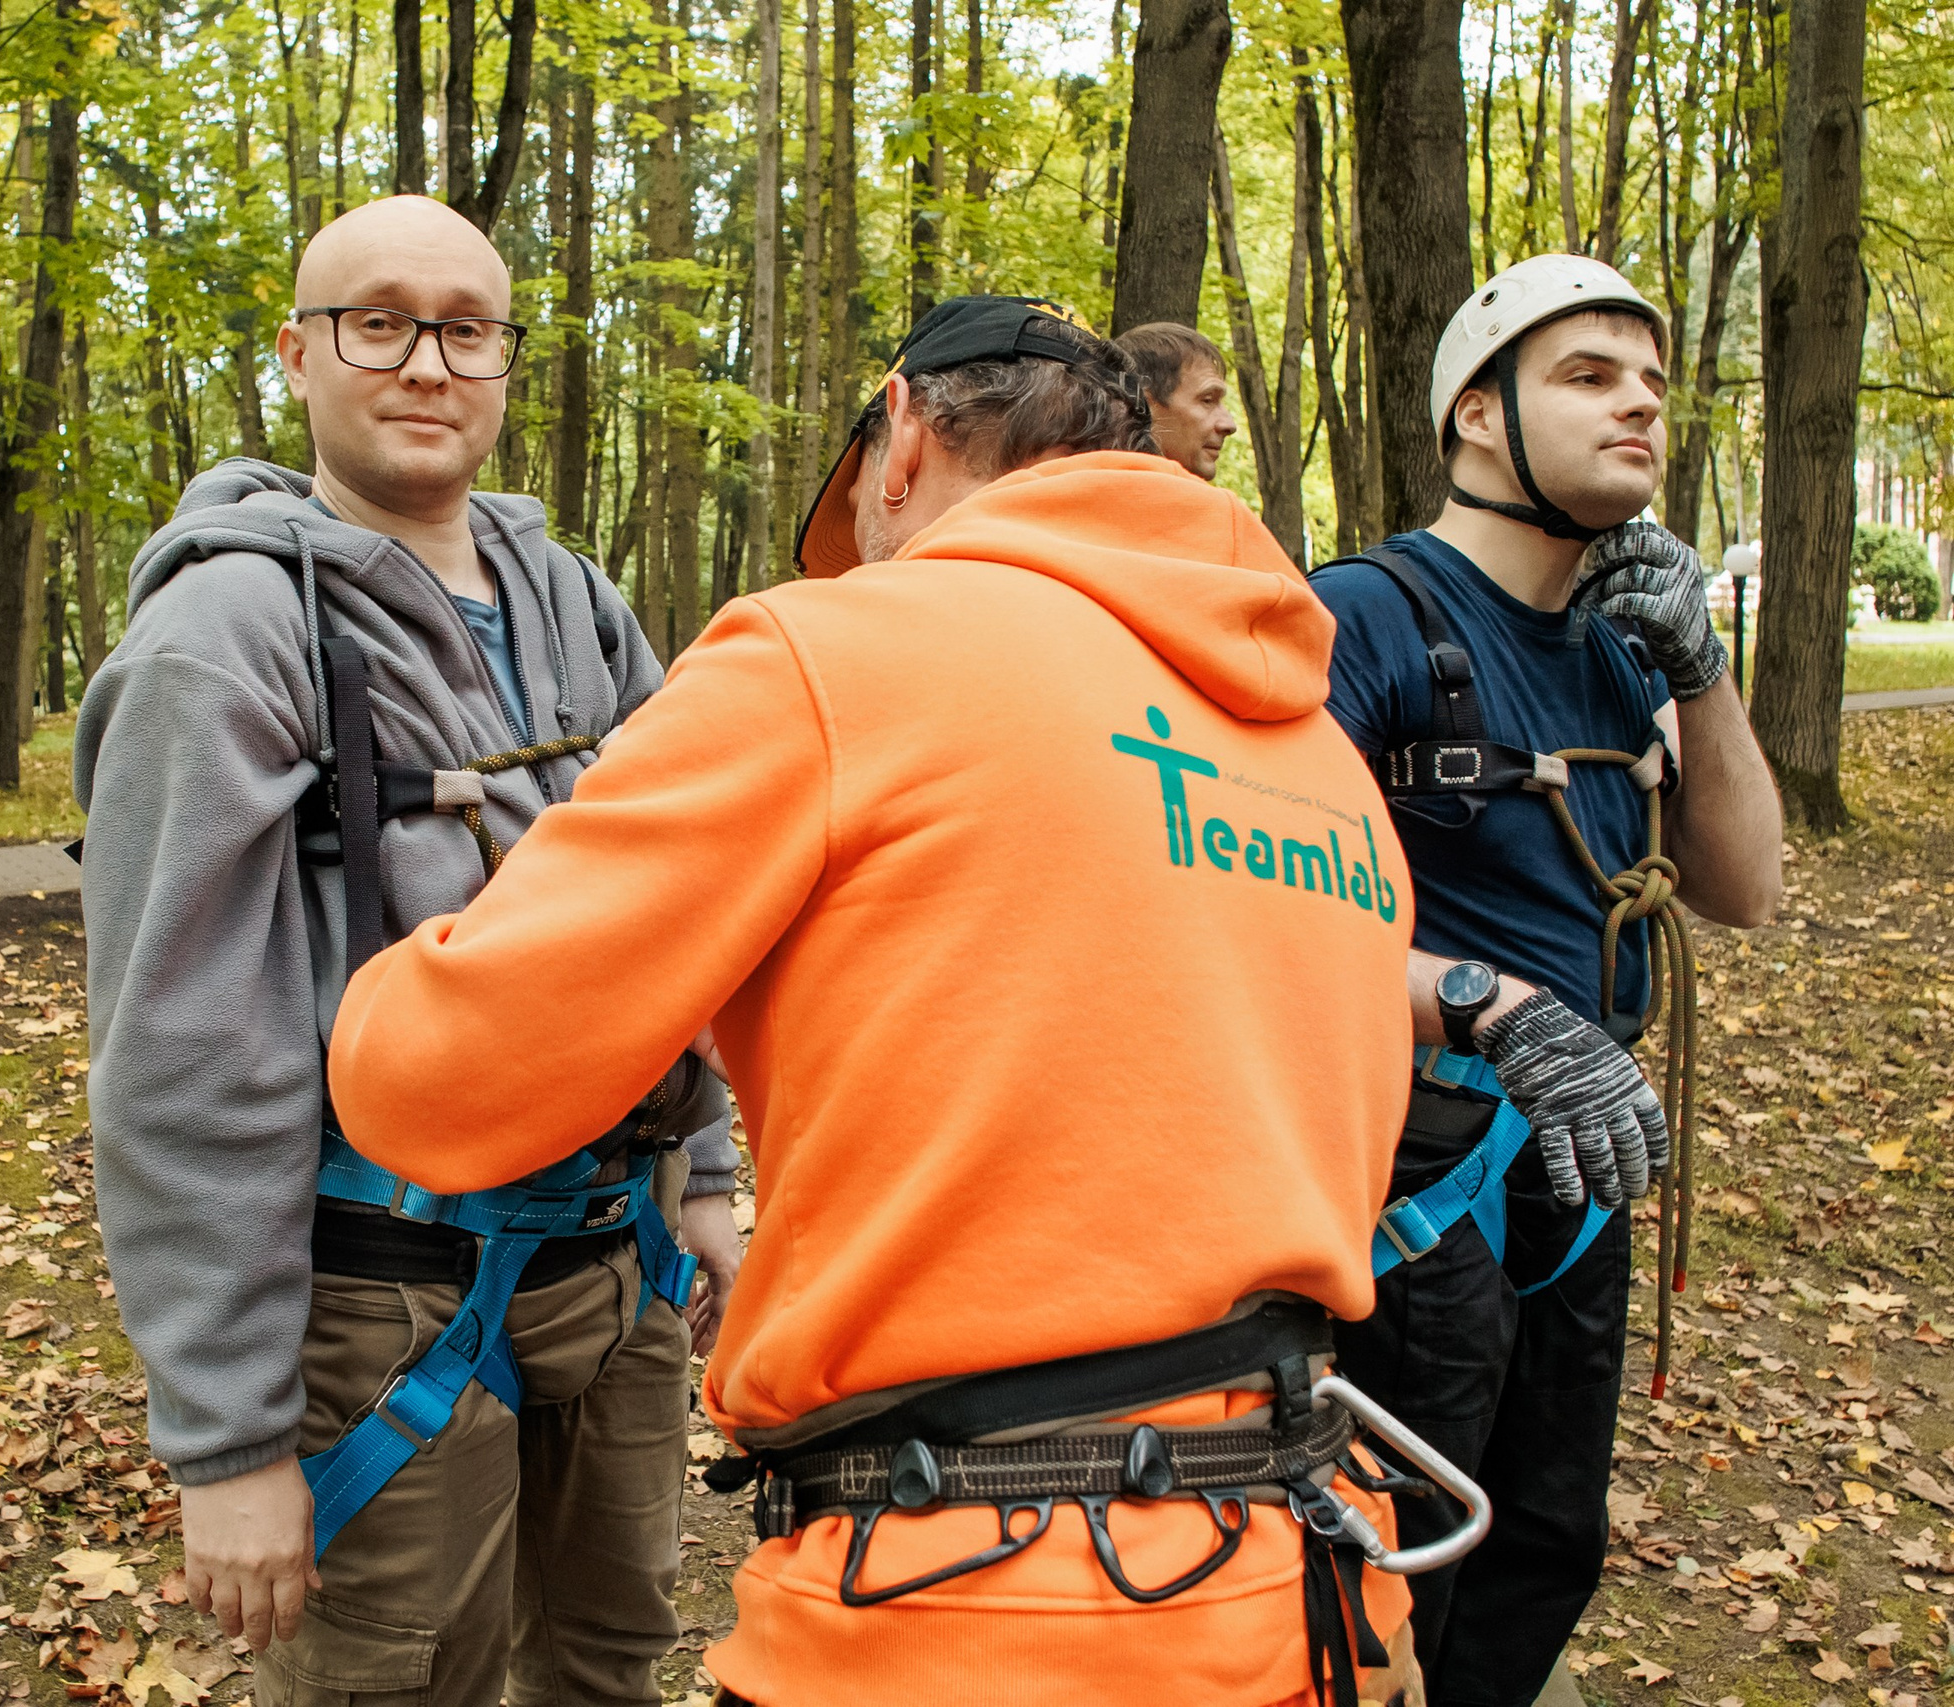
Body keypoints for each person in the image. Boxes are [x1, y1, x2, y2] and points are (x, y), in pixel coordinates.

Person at [326, 295, 1443, 1706]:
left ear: (901, 432)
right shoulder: (1313, 751)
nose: (860, 557)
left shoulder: (839, 652)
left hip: (967, 1615)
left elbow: (437, 1080)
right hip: (1312, 1597)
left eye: (858, 517)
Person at [73, 194, 745, 1707]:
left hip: (620, 1264)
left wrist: (703, 1177)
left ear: (505, 360)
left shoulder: (574, 596)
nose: (425, 363)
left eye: (465, 328)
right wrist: (230, 1442)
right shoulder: (224, 636)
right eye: (376, 322)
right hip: (386, 1303)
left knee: (609, 1659)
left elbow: (675, 904)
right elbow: (183, 1051)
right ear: (299, 356)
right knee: (402, 1682)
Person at [1308, 254, 1785, 1706]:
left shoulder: (1621, 649)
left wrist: (1698, 671)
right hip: (1413, 1172)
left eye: (1650, 381)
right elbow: (1247, 909)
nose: (1639, 402)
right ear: (1475, 414)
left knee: (1548, 1538)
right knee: (1394, 1561)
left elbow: (1746, 887)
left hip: (1583, 1169)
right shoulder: (1365, 616)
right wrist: (1494, 1008)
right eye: (1588, 375)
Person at [1118, 320, 1240, 480]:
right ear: (1141, 408)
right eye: (1207, 400)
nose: (1229, 425)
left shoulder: (1076, 487)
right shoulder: (1218, 505)